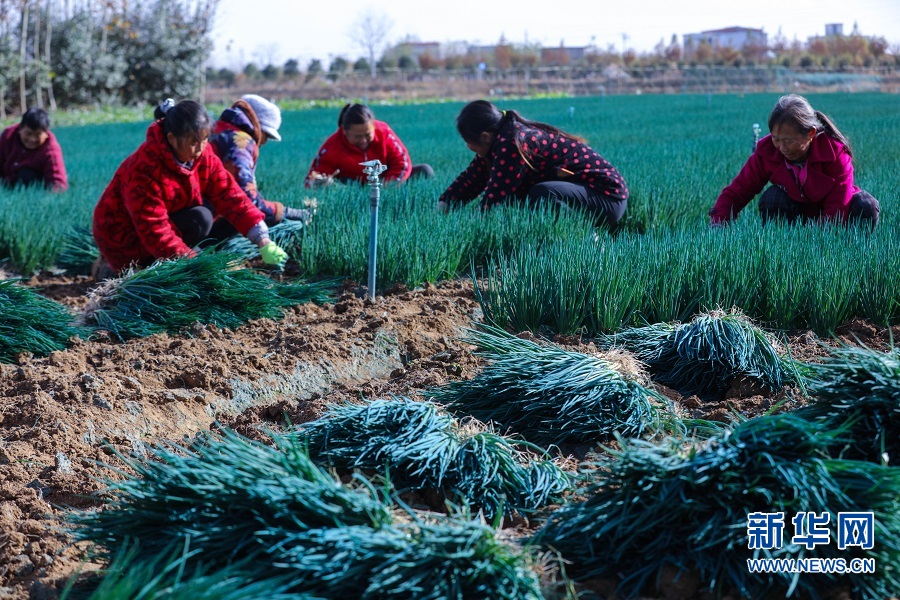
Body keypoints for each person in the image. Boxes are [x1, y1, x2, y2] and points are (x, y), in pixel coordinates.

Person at [92, 99, 288, 279]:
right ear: (172, 139)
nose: (201, 148)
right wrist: (195, 265)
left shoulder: (202, 155)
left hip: (168, 217)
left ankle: (179, 260)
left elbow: (228, 193)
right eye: (194, 142)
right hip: (124, 234)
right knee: (145, 277)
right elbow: (155, 230)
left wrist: (263, 240)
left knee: (203, 217)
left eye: (204, 140)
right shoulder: (144, 170)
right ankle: (115, 268)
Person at [438, 100, 628, 225]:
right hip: (587, 196)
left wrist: (471, 225)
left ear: (485, 136)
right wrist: (445, 203)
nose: (468, 147)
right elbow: (474, 177)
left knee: (542, 193)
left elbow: (497, 195)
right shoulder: (500, 140)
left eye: (468, 142)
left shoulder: (513, 142)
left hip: (606, 197)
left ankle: (587, 238)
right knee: (525, 197)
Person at [708, 94, 880, 227]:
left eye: (788, 141)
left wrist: (817, 242)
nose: (781, 147)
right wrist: (718, 224)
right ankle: (782, 248)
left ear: (810, 134)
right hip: (797, 211)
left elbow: (839, 202)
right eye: (776, 139)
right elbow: (738, 191)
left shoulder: (834, 152)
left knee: (865, 205)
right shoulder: (767, 151)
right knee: (772, 199)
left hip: (834, 216)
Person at [210, 94, 314, 226]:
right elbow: (246, 198)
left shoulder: (219, 129)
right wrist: (284, 212)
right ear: (257, 125)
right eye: (266, 135)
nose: (264, 141)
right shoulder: (240, 144)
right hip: (213, 216)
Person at [305, 103, 433, 187]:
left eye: (367, 135)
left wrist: (387, 187)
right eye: (357, 137)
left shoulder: (384, 132)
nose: (363, 141)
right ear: (345, 131)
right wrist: (323, 183)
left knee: (424, 171)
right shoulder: (332, 146)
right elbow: (312, 178)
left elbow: (402, 162)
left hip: (385, 181)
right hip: (353, 185)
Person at [0, 107, 68, 191]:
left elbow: (58, 181)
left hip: (31, 184)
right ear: (20, 129)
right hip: (6, 181)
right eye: (28, 133)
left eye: (38, 135)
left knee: (26, 175)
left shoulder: (51, 149)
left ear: (46, 133)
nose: (32, 139)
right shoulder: (8, 136)